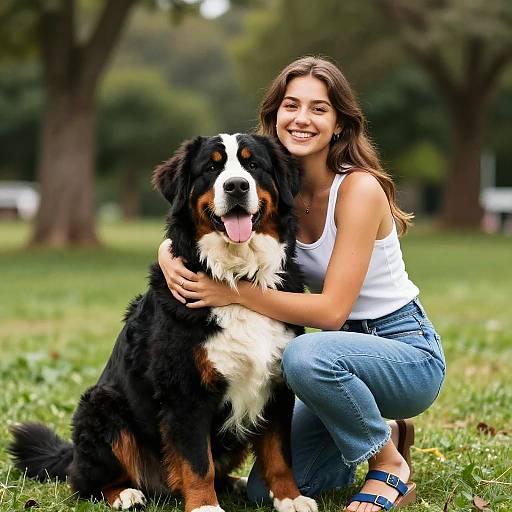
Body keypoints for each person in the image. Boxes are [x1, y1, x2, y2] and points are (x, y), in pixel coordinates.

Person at [157, 57, 446, 512]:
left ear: (339, 124)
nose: (302, 118)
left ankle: (389, 465)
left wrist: (232, 293)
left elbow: (331, 312)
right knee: (263, 493)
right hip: (333, 368)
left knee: (300, 354)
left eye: (319, 108)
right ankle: (379, 429)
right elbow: (199, 221)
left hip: (401, 350)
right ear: (274, 116)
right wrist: (165, 252)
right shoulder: (276, 191)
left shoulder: (360, 190)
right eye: (291, 105)